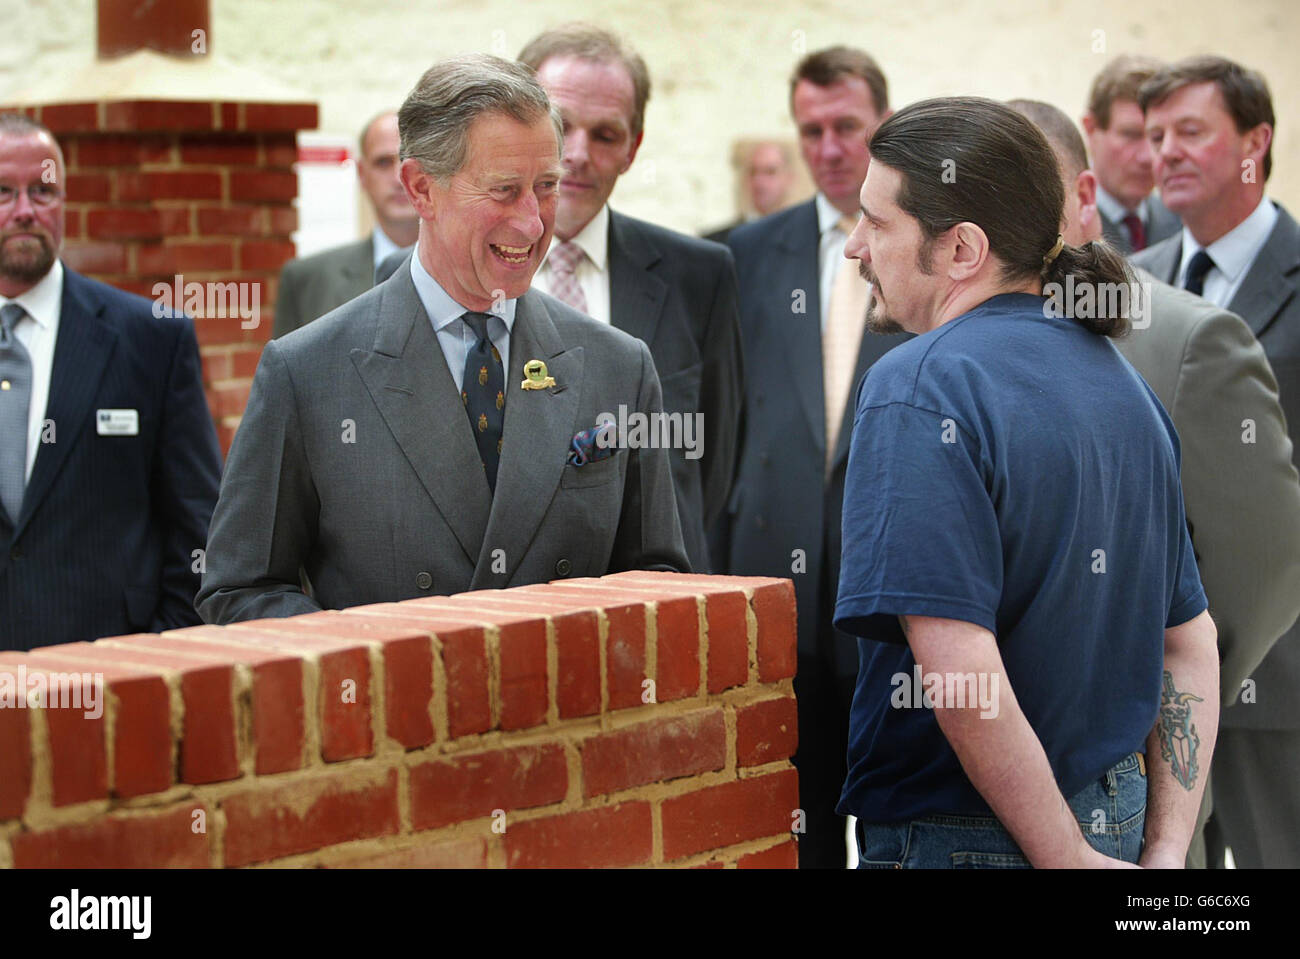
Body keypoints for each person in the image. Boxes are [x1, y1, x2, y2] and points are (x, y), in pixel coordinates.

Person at [835, 97, 1218, 868]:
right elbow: (1190, 643)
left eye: (878, 223)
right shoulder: (1125, 385)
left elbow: (958, 664)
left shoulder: (917, 385)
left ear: (962, 249)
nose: (854, 247)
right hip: (1123, 828)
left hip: (968, 838)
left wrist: (1063, 857)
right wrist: (1168, 849)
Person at [198, 54, 689, 624]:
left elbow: (658, 582)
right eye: (504, 190)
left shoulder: (619, 366)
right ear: (421, 189)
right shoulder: (308, 372)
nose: (533, 223)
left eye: (546, 186)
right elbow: (241, 590)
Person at [1012, 96, 1300, 867]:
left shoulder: (1182, 338)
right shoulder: (949, 338)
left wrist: (1163, 701)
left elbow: (1263, 562)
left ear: (1083, 197)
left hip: (1138, 794)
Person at [713, 45, 906, 868]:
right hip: (774, 586)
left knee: (897, 813)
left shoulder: (927, 245)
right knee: (794, 818)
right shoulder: (743, 255)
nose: (828, 147)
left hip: (894, 586)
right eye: (811, 130)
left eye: (847, 127)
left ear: (885, 126)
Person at [1132, 55, 1300, 869]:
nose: (1165, 151)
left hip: (1287, 670)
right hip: (1163, 682)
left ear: (1253, 144)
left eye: (1190, 131)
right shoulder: (1133, 287)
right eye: (1155, 134)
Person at [517, 23, 742, 574]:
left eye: (606, 134)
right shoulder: (451, 270)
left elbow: (712, 463)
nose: (578, 154)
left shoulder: (700, 274)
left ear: (633, 148)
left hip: (657, 599)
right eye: (561, 127)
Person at [0, 114, 221, 651]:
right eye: (3, 192)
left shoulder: (150, 338)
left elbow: (198, 526)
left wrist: (158, 654)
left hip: (109, 683)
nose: (25, 210)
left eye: (44, 190)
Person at [272, 111, 418, 338]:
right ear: (361, 174)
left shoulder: (475, 274)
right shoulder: (306, 282)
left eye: (408, 161)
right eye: (383, 162)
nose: (398, 177)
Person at [1081, 55, 1181, 254]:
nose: (1147, 157)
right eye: (1130, 135)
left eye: (1157, 137)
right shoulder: (1063, 227)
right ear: (1091, 129)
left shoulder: (1182, 224)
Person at [702, 140, 798, 244]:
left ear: (789, 178)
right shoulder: (715, 243)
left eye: (770, 172)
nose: (760, 181)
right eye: (753, 172)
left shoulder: (805, 239)